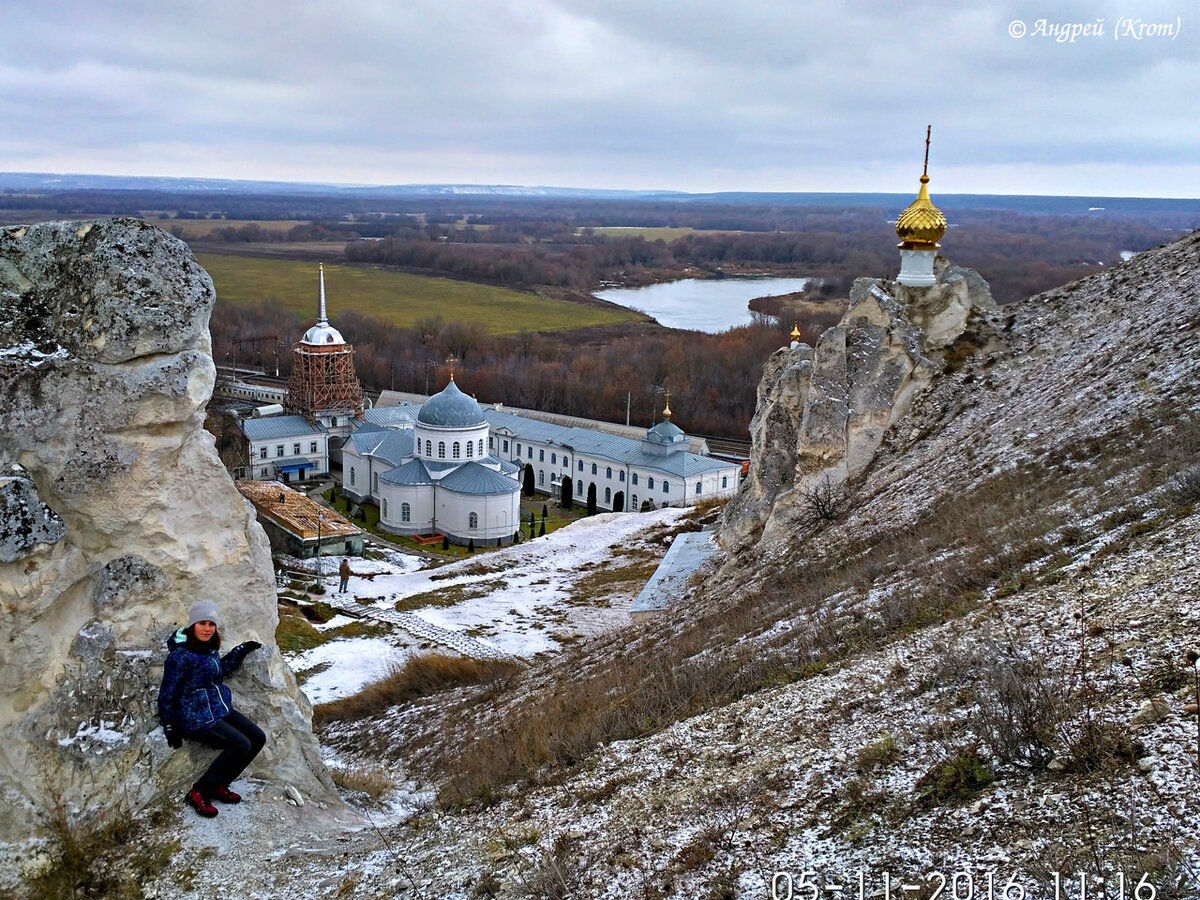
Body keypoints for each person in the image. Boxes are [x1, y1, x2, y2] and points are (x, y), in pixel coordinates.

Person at [157, 600, 265, 818]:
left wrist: (240, 650)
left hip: (217, 708)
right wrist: (169, 724)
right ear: (192, 626)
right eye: (202, 623)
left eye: (211, 624)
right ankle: (200, 791)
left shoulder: (210, 649)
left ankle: (220, 784)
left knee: (257, 737)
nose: (207, 628)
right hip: (194, 716)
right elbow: (167, 692)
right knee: (240, 743)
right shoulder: (180, 655)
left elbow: (219, 670)